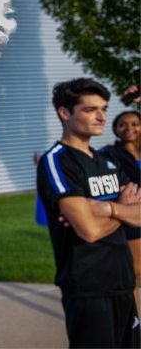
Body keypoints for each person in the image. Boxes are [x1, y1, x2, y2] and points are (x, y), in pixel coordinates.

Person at [36, 78, 140, 348]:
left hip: (123, 282)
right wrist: (124, 210)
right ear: (64, 113)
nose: (101, 116)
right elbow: (89, 231)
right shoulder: (58, 160)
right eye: (90, 109)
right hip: (88, 288)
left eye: (103, 108)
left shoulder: (107, 160)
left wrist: (106, 208)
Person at [101, 109, 141, 312]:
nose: (129, 128)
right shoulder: (110, 153)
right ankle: (135, 320)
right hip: (134, 217)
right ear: (115, 130)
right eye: (122, 124)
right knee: (136, 271)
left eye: (135, 123)